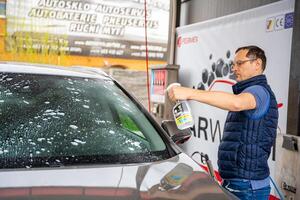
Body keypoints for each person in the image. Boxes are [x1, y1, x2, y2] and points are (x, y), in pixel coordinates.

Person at [167, 45, 278, 200]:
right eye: (233, 64)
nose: (234, 68)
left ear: (257, 64)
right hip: (238, 183)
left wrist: (190, 93)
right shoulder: (248, 91)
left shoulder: (258, 91)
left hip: (247, 187)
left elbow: (237, 103)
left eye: (240, 63)